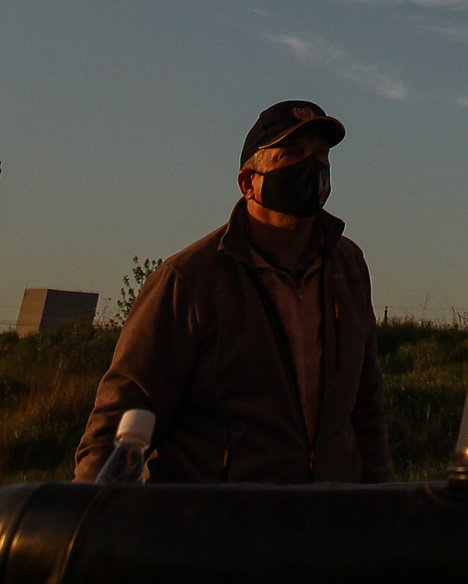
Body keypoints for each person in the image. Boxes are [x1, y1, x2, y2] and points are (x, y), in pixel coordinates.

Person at [76, 99, 390, 483]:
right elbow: (121, 415)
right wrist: (90, 521)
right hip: (218, 529)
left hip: (331, 524)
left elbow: (367, 406)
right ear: (248, 183)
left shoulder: (348, 267)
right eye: (289, 154)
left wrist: (380, 507)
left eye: (321, 154)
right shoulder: (189, 280)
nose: (312, 165)